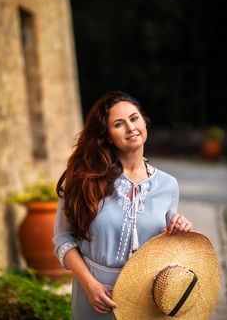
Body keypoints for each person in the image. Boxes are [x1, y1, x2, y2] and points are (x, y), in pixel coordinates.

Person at [53, 91, 192, 320]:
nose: (131, 127)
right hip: (94, 298)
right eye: (119, 124)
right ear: (106, 136)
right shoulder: (81, 179)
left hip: (145, 299)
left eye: (134, 118)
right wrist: (89, 285)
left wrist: (179, 229)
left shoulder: (168, 185)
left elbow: (166, 245)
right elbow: (62, 238)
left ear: (144, 121)